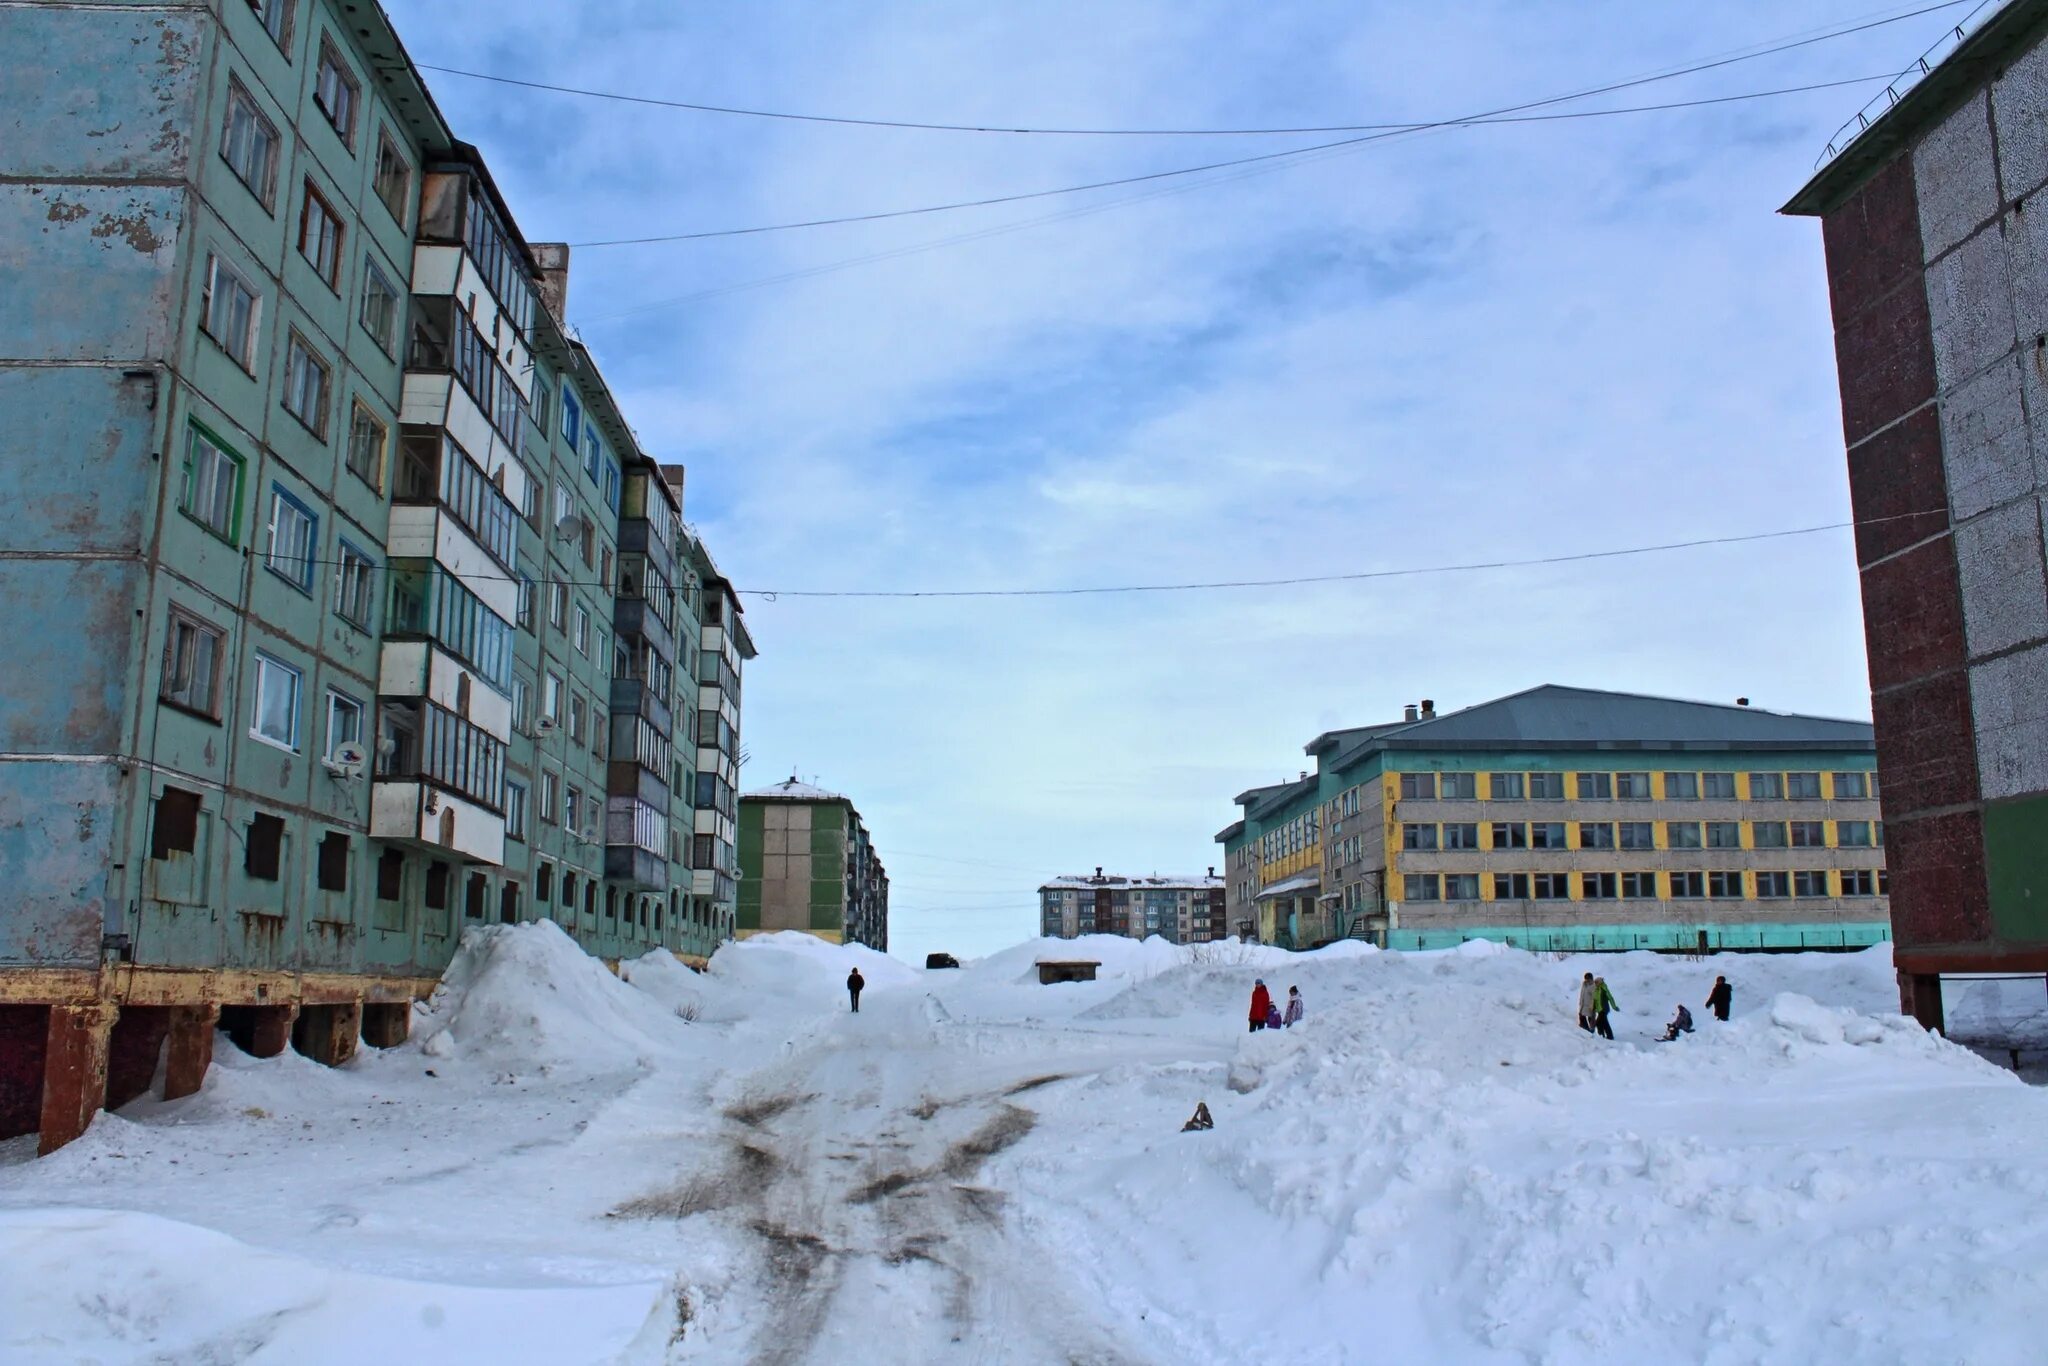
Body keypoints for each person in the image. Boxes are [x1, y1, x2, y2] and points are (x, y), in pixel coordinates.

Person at [1588, 976, 1617, 1040]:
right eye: (1595, 982)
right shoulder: (1596, 990)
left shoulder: (1604, 988)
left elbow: (1610, 997)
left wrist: (1614, 1007)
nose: (1595, 983)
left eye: (1597, 982)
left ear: (1600, 982)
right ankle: (1605, 1036)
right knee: (1603, 1023)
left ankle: (1605, 1036)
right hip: (1599, 1010)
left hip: (1604, 1009)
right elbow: (1594, 1000)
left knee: (1599, 1022)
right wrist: (1592, 1008)